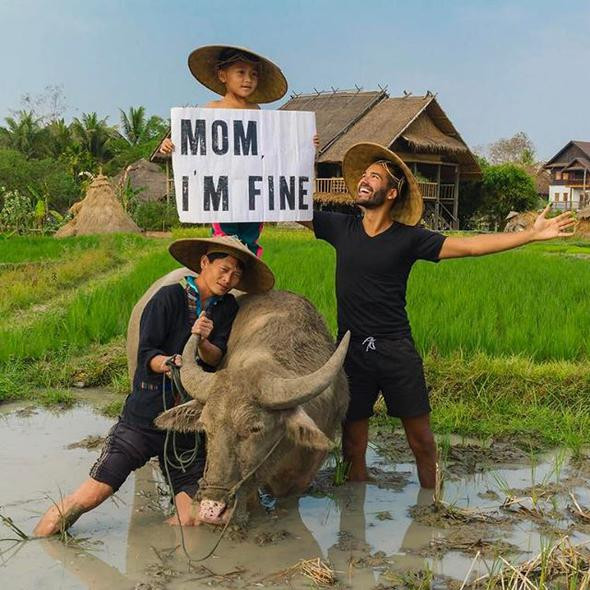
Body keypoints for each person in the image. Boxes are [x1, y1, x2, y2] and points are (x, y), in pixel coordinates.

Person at [300, 142, 575, 488]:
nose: (364, 181)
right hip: (352, 352)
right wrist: (304, 159)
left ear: (391, 192)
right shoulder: (341, 227)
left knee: (422, 442)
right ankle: (354, 522)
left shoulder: (409, 239)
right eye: (364, 176)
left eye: (375, 176)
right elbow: (291, 205)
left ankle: (432, 505)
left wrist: (530, 236)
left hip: (395, 351)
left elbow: (472, 247)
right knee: (353, 445)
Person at [33, 235, 275, 536]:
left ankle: (158, 559)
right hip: (144, 420)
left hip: (184, 431)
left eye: (236, 274)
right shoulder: (168, 298)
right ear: (204, 263)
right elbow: (146, 354)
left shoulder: (225, 309)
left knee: (191, 519)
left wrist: (203, 341)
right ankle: (40, 540)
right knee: (89, 496)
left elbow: (215, 358)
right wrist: (174, 363)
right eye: (223, 269)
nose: (228, 279)